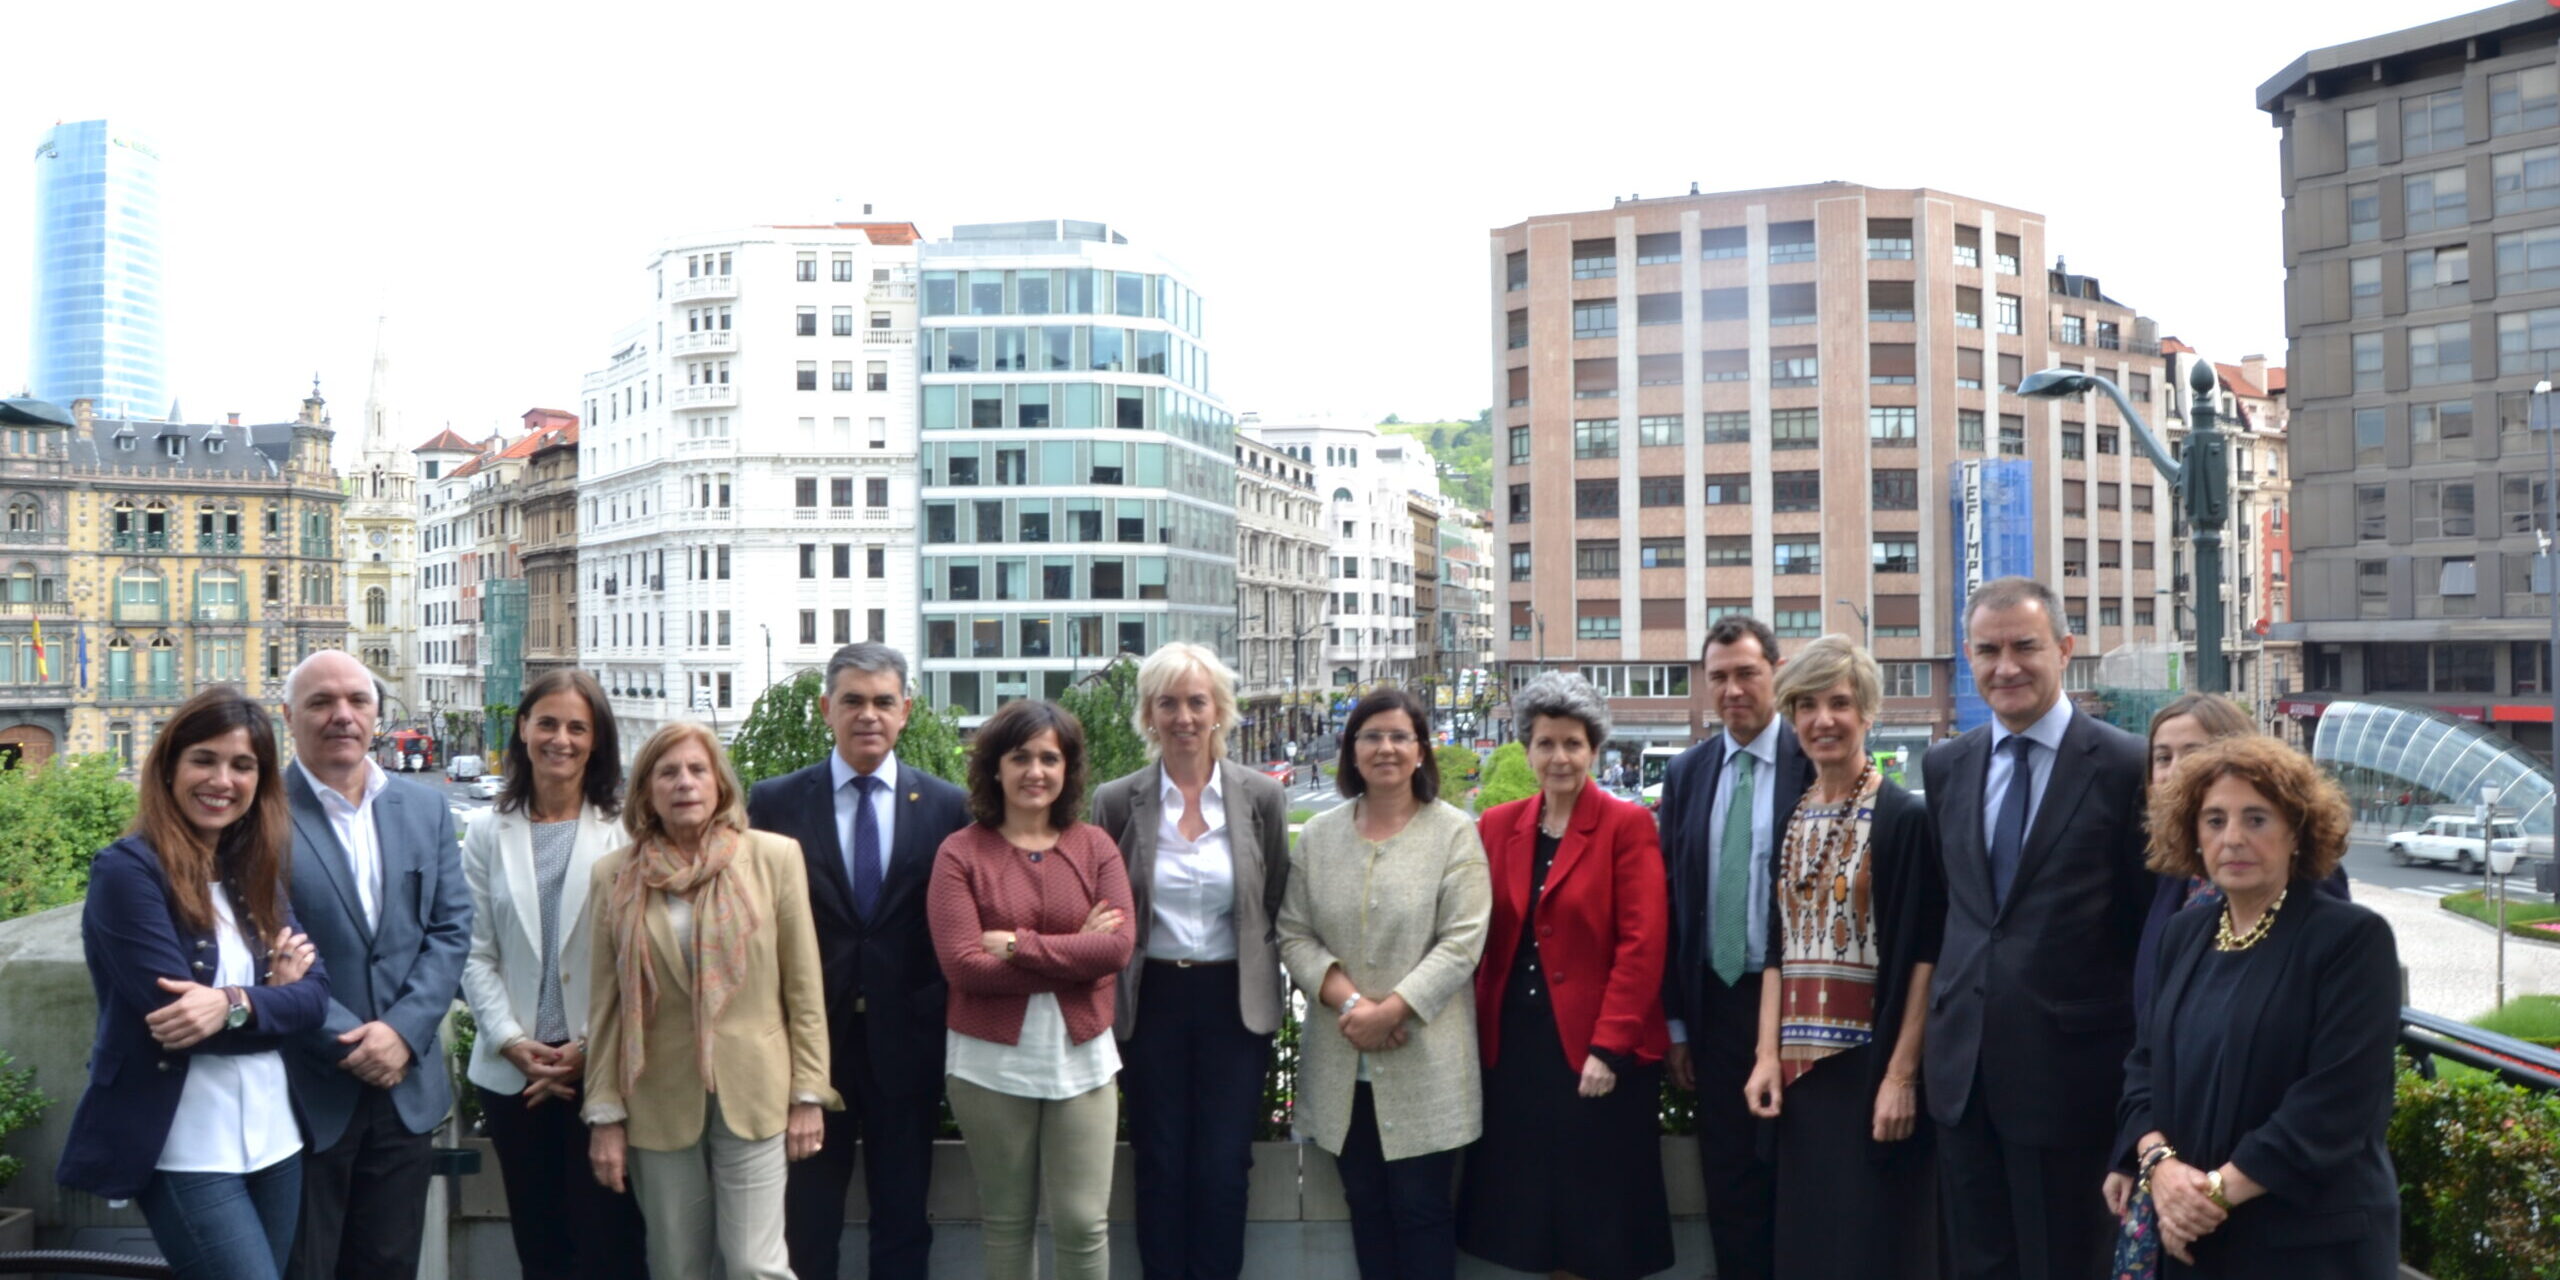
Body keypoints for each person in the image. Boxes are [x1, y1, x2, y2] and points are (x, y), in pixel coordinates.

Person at [1920, 577, 2153, 1280]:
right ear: (1968, 656)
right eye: (1987, 651)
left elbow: (2147, 930)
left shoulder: (2127, 765)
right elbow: (1954, 913)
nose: (2006, 667)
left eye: (2024, 646)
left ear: (2065, 649)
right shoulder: (1946, 765)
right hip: (1963, 1078)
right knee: (1975, 1263)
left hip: (2073, 1080)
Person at [58, 688, 329, 1280]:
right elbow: (176, 1019)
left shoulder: (253, 871)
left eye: (242, 765)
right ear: (170, 767)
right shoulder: (126, 872)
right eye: (204, 759)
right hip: (184, 1144)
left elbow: (315, 999)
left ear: (261, 780)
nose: (222, 780)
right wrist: (272, 996)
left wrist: (231, 1001)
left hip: (276, 1136)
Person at [2106, 736, 2400, 1276]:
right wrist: (2160, 1167)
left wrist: (2209, 1195)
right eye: (2214, 821)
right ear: (2194, 835)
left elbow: (2335, 1103)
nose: (2233, 838)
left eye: (2256, 819)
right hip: (2192, 1236)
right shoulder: (2183, 934)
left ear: (2297, 832)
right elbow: (2142, 1068)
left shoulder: (2352, 939)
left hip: (2304, 1244)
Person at [582, 721, 837, 1280]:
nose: (684, 783)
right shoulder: (614, 877)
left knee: (756, 1265)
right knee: (677, 1266)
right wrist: (604, 1115)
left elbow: (803, 989)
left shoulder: (773, 859)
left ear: (719, 783)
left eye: (698, 769)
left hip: (756, 1091)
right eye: (667, 773)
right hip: (657, 1099)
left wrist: (809, 1093)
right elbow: (605, 1009)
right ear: (646, 790)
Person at [749, 644, 970, 1280]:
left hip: (910, 1043)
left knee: (903, 1220)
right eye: (852, 701)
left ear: (906, 711)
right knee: (807, 1220)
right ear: (826, 709)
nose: (867, 714)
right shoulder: (776, 803)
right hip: (812, 1047)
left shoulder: (948, 807)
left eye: (882, 701)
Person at [1739, 637, 1944, 1278]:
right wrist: (1766, 1057)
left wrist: (1901, 1077)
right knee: (1807, 1246)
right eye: (1806, 705)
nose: (1822, 720)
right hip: (1799, 1080)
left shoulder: (1902, 817)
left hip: (1868, 1070)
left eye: (1839, 703)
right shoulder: (1793, 817)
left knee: (1870, 1245)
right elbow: (1776, 950)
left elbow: (1924, 957)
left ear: (1868, 713)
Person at [1457, 673, 1672, 1280]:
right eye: (1546, 743)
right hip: (1515, 1055)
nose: (1559, 757)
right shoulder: (1496, 825)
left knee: (1593, 1222)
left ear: (1594, 750)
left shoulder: (1626, 825)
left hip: (1595, 1056)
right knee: (1530, 1221)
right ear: (1526, 749)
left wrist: (1609, 1047)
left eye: (1573, 744)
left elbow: (1642, 945)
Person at [1090, 644, 1291, 1280]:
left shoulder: (1262, 797)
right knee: (1159, 1159)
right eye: (1168, 703)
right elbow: (1103, 907)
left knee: (1224, 1164)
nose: (1183, 716)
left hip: (1234, 1002)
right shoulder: (1116, 801)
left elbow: (1273, 899)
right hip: (1150, 1002)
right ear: (1148, 714)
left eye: (1197, 701)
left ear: (1219, 710)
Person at [1277, 688, 1490, 1280]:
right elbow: (1293, 932)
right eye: (1371, 736)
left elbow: (1462, 941)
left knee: (1423, 1211)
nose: (1386, 748)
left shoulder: (1454, 833)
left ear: (1421, 750)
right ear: (1351, 750)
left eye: (1400, 736)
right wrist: (1355, 1006)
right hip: (1341, 1065)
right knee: (1366, 1207)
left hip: (1427, 1062)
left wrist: (1392, 1011)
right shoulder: (1319, 836)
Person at [926, 699, 1136, 1280]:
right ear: (995, 767)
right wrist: (1077, 952)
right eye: (1020, 757)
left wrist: (1018, 946)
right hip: (989, 1065)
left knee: (1084, 1225)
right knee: (1007, 1224)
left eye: (1049, 758)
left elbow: (1116, 950)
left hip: (1083, 1061)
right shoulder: (960, 853)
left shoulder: (1095, 847)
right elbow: (964, 967)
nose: (1035, 771)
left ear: (1068, 769)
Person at [279, 651, 471, 1280]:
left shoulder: (424, 807)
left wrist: (402, 1033)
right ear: (289, 716)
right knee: (305, 1267)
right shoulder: (260, 813)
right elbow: (260, 945)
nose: (343, 715)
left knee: (389, 1266)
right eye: (321, 702)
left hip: (404, 1087)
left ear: (376, 715)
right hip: (306, 1091)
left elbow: (450, 929)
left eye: (358, 701)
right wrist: (349, 1040)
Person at [458, 670, 647, 1280]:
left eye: (577, 727)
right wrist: (512, 1042)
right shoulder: (487, 832)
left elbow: (639, 957)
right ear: (522, 729)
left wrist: (586, 1049)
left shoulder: (627, 831)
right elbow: (474, 953)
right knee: (540, 1250)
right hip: (515, 1077)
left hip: (604, 1071)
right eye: (547, 723)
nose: (560, 739)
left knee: (611, 1247)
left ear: (596, 740)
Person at [1657, 616, 1811, 1280]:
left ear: (1776, 671)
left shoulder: (1816, 759)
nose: (1733, 690)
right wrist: (1677, 1025)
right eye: (1718, 677)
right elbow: (1670, 903)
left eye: (1747, 673)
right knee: (1730, 1173)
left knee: (1803, 1166)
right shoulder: (1687, 773)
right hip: (1718, 1003)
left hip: (1804, 1005)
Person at [2135, 695, 2349, 1013]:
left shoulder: (2305, 876)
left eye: (2193, 753)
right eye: (2163, 758)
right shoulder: (2173, 869)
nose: (2176, 770)